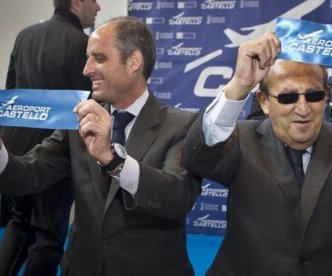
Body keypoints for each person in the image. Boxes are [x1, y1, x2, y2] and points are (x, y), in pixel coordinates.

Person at [182, 26, 332, 275]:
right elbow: (197, 158)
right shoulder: (241, 139)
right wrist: (239, 85)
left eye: (313, 95)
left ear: (326, 96)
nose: (303, 109)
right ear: (264, 102)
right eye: (288, 97)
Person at [0, 16, 200, 275]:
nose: (86, 69)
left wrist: (112, 159)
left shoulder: (181, 125)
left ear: (134, 62)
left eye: (99, 58)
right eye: (87, 58)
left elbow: (177, 197)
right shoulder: (78, 123)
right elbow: (28, 174)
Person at [0, 0, 100, 275]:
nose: (99, 7)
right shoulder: (83, 44)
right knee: (48, 234)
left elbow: (10, 91)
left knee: (19, 223)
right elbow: (87, 105)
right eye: (94, 0)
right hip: (55, 151)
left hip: (14, 147)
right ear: (77, 3)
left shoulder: (24, 36)